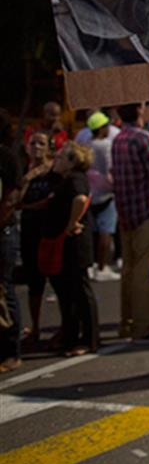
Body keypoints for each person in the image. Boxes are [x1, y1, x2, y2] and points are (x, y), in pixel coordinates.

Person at [111, 103, 149, 342]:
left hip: (126, 214)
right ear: (140, 110)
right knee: (146, 273)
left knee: (129, 271)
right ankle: (142, 327)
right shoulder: (143, 139)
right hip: (148, 212)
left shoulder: (118, 139)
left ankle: (127, 323)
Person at [40, 142, 99, 356]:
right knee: (66, 292)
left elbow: (80, 199)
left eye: (63, 156)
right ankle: (69, 335)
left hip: (74, 244)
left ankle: (89, 339)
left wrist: (71, 223)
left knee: (80, 291)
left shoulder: (76, 179)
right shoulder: (59, 179)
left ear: (74, 162)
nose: (58, 158)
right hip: (60, 243)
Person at [14, 131, 56, 347]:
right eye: (33, 143)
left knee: (58, 281)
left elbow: (51, 201)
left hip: (49, 230)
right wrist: (27, 179)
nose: (37, 147)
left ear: (49, 148)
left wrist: (27, 206)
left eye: (41, 143)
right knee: (35, 283)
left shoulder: (53, 171)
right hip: (29, 230)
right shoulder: (25, 171)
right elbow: (15, 199)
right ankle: (36, 326)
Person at [0, 110, 23, 371]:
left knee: (5, 290)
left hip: (4, 232)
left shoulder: (6, 157)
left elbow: (10, 199)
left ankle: (11, 351)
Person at [85, 111, 121, 282]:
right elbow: (110, 168)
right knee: (106, 231)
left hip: (91, 191)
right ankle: (102, 266)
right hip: (106, 192)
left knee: (92, 231)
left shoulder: (87, 144)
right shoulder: (106, 145)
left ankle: (91, 265)